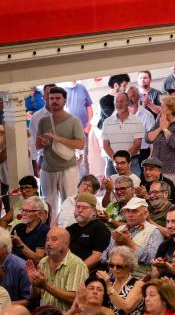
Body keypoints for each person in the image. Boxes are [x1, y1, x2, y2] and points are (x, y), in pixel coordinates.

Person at [36, 86, 85, 218]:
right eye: (51, 98)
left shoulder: (74, 121)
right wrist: (44, 142)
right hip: (47, 169)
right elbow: (37, 145)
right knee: (48, 204)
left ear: (65, 101)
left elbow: (80, 144)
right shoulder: (43, 121)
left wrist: (58, 139)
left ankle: (68, 233)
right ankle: (50, 233)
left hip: (68, 168)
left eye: (58, 98)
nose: (54, 101)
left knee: (69, 202)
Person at [26, 227, 89, 311]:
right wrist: (34, 283)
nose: (48, 243)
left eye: (54, 240)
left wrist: (45, 285)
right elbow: (35, 298)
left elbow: (74, 299)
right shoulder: (43, 262)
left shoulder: (77, 264)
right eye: (47, 240)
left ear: (66, 243)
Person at [66, 192, 111, 270]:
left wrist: (77, 270)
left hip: (89, 272)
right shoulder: (70, 229)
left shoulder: (100, 228)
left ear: (94, 211)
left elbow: (97, 256)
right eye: (77, 207)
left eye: (84, 208)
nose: (79, 210)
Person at [96, 245, 145, 315]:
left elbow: (126, 309)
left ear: (129, 266)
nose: (114, 269)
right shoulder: (110, 282)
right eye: (111, 265)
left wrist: (109, 288)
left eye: (119, 266)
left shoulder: (138, 284)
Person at [10, 195, 48, 262]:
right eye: (22, 210)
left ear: (40, 214)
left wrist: (20, 244)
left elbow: (38, 259)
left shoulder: (44, 231)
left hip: (28, 268)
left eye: (27, 211)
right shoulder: (18, 227)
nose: (22, 214)